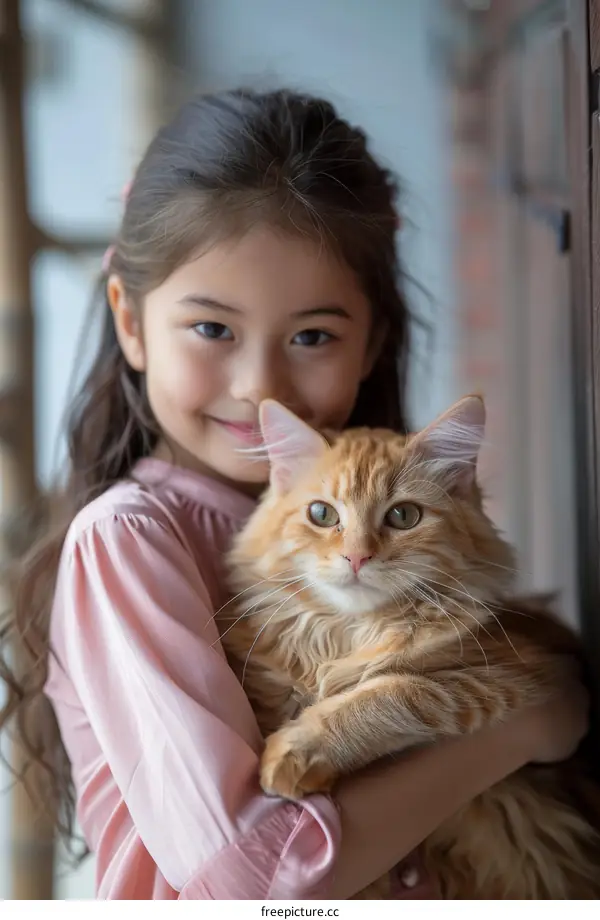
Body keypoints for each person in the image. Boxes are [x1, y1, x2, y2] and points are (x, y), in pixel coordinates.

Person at [0, 89, 588, 900]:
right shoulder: (129, 540)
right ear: (131, 322)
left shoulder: (359, 502)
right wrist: (514, 731)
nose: (260, 386)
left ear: (371, 341)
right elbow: (252, 888)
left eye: (312, 335)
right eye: (213, 329)